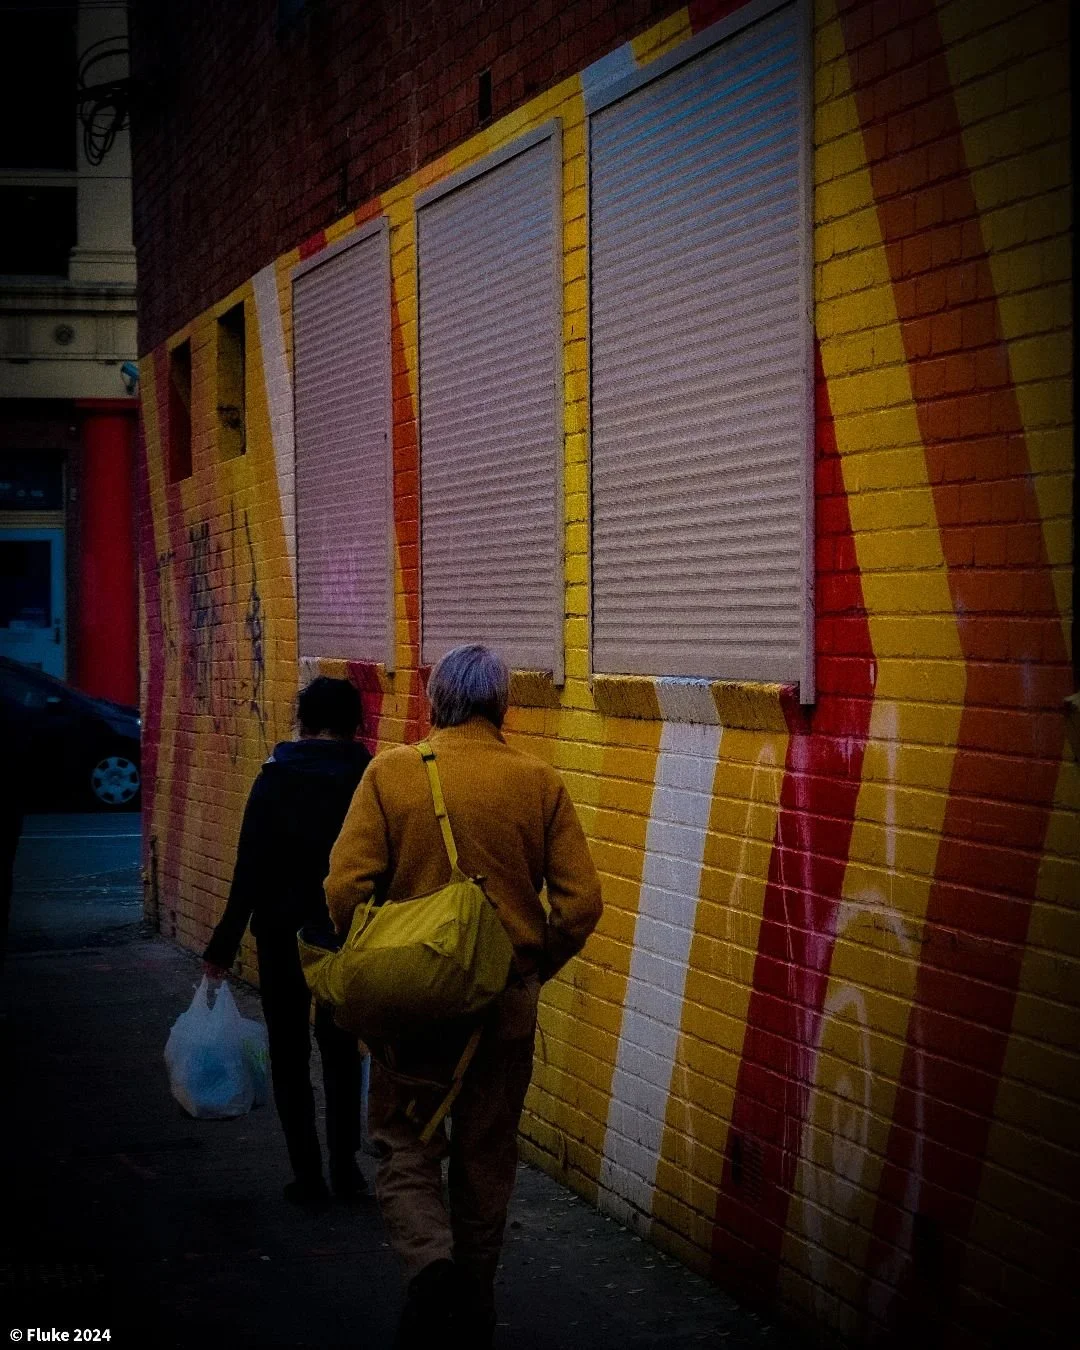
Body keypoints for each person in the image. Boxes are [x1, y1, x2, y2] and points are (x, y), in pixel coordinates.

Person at [325, 643, 603, 1348]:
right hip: (502, 1007)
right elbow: (581, 904)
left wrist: (383, 955)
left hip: (411, 1007)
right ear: (501, 702)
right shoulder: (538, 783)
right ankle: (471, 1310)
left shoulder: (390, 774)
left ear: (437, 699)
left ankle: (429, 1267)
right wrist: (535, 965)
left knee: (404, 1144)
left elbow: (343, 889)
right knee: (485, 1158)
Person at [203, 676, 371, 1209]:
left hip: (279, 932)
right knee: (343, 1051)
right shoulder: (368, 778)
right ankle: (347, 1172)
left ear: (303, 721)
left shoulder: (274, 779)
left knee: (290, 1053)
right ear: (353, 723)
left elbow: (248, 867)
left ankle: (308, 1176)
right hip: (345, 932)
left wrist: (222, 948)